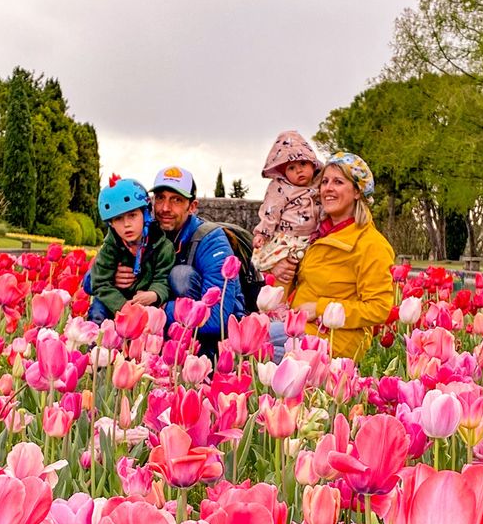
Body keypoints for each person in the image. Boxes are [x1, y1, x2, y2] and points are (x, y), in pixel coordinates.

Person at [269, 152, 396, 361]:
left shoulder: (371, 244)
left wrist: (321, 309)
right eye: (325, 182)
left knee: (257, 350)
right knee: (248, 337)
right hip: (299, 327)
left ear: (357, 191)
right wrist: (282, 273)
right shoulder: (316, 233)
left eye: (338, 182)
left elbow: (378, 308)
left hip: (334, 340)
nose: (328, 188)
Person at [107, 166, 244, 344]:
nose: (165, 208)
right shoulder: (141, 227)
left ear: (192, 207)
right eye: (160, 198)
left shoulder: (211, 240)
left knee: (180, 276)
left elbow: (217, 318)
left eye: (176, 200)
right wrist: (113, 274)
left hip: (207, 336)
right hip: (161, 331)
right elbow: (91, 279)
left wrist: (157, 309)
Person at [88, 177, 175, 324]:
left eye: (132, 215)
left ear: (145, 215)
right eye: (118, 219)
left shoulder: (163, 246)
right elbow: (100, 283)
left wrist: (154, 294)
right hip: (115, 302)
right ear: (111, 224)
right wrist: (122, 306)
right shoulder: (109, 248)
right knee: (97, 309)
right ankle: (96, 345)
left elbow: (163, 278)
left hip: (146, 301)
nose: (126, 224)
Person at [251, 131, 322, 285]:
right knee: (283, 276)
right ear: (284, 172)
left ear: (312, 163)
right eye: (291, 168)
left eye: (303, 163)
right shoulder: (281, 188)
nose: (299, 170)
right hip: (287, 239)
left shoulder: (321, 183)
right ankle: (277, 306)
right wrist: (262, 233)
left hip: (312, 239)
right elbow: (271, 211)